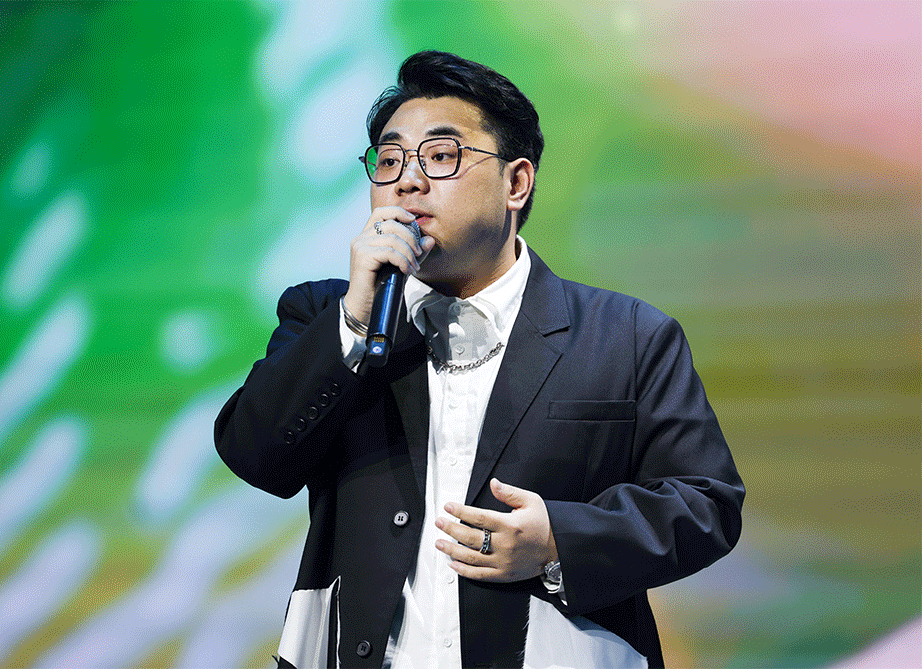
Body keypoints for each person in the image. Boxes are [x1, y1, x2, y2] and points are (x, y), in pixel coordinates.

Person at [215, 50, 744, 669]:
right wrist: (355, 319)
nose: (407, 182)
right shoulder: (327, 318)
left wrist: (557, 542)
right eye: (389, 160)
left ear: (516, 183)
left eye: (442, 156)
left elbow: (706, 505)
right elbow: (255, 455)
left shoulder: (627, 335)